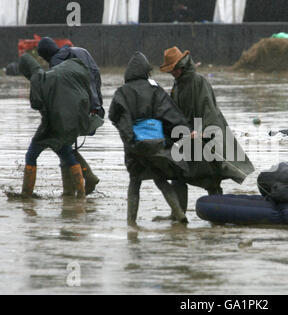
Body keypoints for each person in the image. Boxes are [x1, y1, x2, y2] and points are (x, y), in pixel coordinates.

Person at [160, 47, 255, 215]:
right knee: (177, 174)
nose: (172, 73)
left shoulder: (198, 81)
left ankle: (218, 213)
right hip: (184, 136)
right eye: (170, 71)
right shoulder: (177, 85)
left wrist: (203, 131)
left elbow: (210, 110)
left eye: (173, 69)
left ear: (181, 65)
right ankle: (178, 215)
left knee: (211, 177)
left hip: (203, 136)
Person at [109, 52, 192, 225]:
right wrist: (183, 133)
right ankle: (179, 214)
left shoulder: (121, 92)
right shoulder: (155, 90)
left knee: (134, 182)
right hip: (156, 144)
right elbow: (170, 114)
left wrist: (129, 135)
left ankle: (131, 222)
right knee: (160, 179)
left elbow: (113, 116)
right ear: (146, 71)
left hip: (134, 145)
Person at [18, 53, 93, 199]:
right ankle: (81, 193)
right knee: (66, 153)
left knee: (31, 155)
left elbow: (36, 104)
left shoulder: (36, 78)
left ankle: (26, 194)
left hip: (51, 126)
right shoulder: (50, 75)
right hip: (66, 124)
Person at [37, 37, 103, 196]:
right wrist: (96, 105)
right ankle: (72, 188)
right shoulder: (80, 50)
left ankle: (81, 181)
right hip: (93, 105)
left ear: (45, 56)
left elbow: (63, 92)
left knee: (61, 144)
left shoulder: (57, 64)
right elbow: (94, 78)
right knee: (65, 144)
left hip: (77, 107)